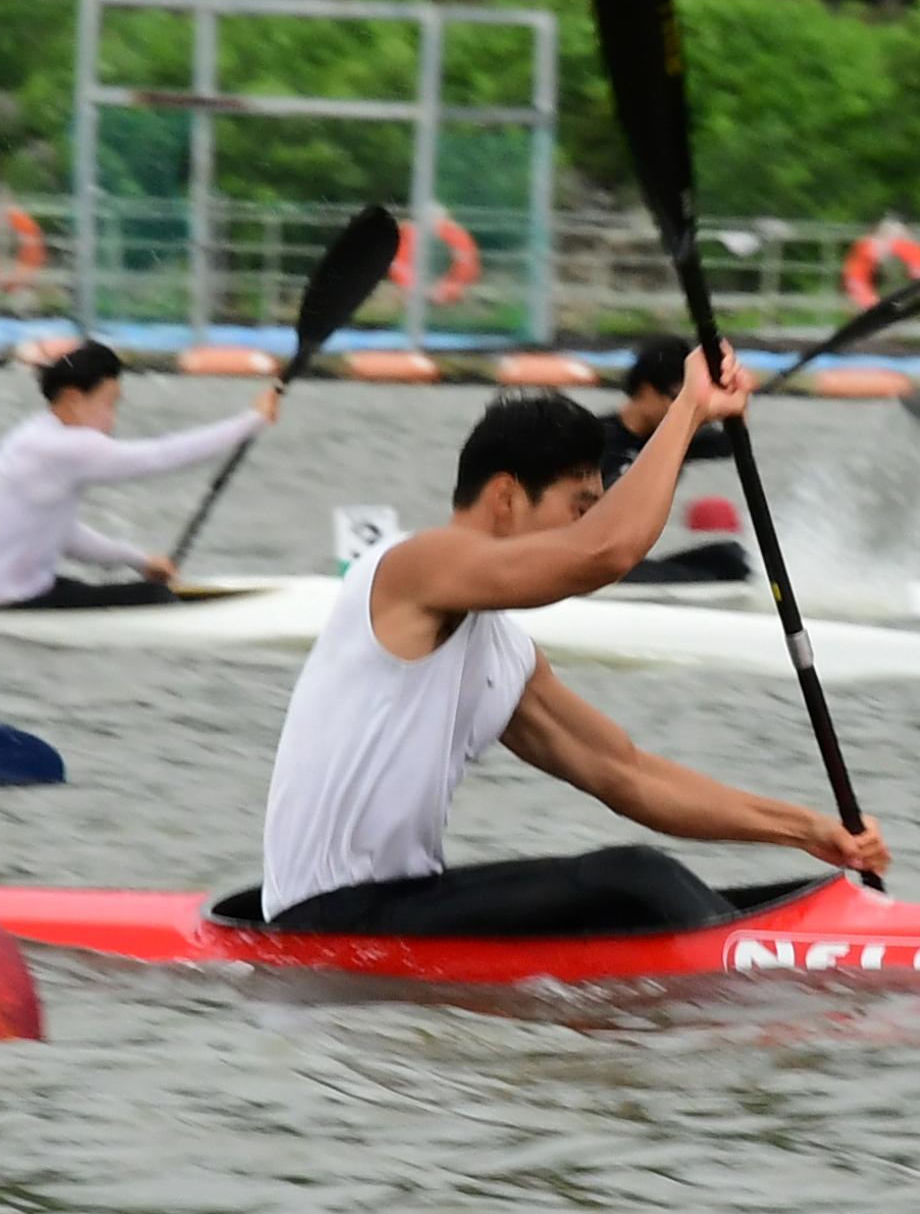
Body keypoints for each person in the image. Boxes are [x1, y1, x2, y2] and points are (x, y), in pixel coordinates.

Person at [256, 362, 887, 937]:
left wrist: (808, 831)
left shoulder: (504, 652)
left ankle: (791, 948)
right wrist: (687, 409)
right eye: (579, 508)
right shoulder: (413, 567)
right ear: (504, 497)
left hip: (397, 904)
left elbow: (627, 773)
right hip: (325, 919)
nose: (586, 525)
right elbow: (604, 553)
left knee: (670, 885)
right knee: (633, 880)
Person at [0, 340, 276, 609]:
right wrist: (251, 421)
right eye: (109, 404)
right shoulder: (61, 447)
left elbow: (66, 536)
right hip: (5, 602)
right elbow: (162, 457)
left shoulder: (32, 435)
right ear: (74, 400)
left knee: (124, 589)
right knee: (154, 598)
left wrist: (141, 561)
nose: (113, 420)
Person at [600, 336, 750, 584]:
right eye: (678, 398)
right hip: (594, 562)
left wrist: (733, 403)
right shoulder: (594, 439)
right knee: (698, 577)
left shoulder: (674, 439)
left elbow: (730, 444)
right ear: (647, 391)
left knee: (732, 558)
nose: (686, 408)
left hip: (630, 564)